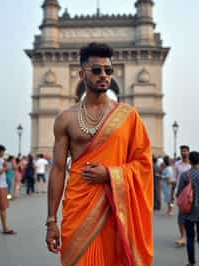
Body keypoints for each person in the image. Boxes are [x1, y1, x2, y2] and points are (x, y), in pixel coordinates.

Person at [46, 42, 153, 266]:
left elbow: (144, 164)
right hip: (78, 209)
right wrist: (51, 221)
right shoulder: (65, 119)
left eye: (109, 70)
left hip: (115, 209)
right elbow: (57, 169)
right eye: (96, 70)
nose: (104, 75)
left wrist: (111, 174)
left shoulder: (128, 116)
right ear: (81, 73)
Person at [176, 151, 199, 266]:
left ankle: (191, 262)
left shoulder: (185, 175)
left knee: (190, 237)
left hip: (189, 210)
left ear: (189, 160)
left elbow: (179, 192)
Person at [173, 145, 191, 247]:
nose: (183, 153)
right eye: (182, 151)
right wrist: (173, 193)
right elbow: (175, 179)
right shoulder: (177, 164)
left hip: (192, 193)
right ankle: (183, 236)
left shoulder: (192, 165)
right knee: (181, 216)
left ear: (188, 152)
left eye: (185, 151)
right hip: (181, 193)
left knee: (192, 216)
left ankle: (190, 235)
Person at [0, 145, 15, 234]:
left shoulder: (1, 160)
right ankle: (5, 228)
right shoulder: (0, 160)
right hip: (1, 186)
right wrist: (5, 168)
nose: (4, 153)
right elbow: (0, 171)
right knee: (3, 208)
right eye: (3, 152)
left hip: (2, 185)